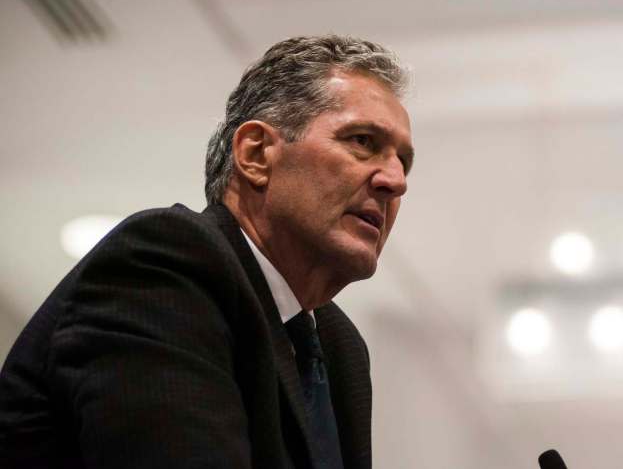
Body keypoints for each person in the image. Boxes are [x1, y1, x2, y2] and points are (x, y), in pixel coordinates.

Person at [0, 35, 415, 469]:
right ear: (256, 154)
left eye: (403, 162)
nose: (395, 180)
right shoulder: (164, 262)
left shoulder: (336, 346)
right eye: (363, 141)